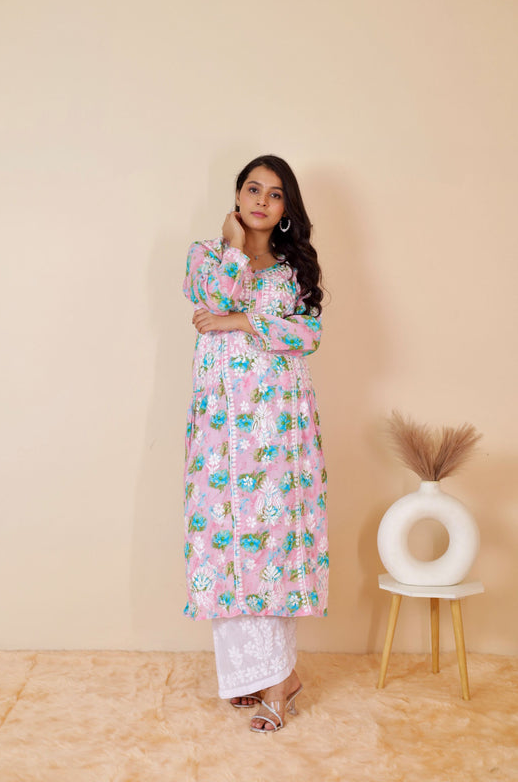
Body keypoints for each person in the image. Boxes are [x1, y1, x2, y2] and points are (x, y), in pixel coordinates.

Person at [182, 155, 328, 732]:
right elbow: (214, 296)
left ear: (286, 207)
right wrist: (234, 246)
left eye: (275, 193)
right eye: (252, 189)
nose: (262, 201)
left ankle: (278, 681)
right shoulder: (206, 255)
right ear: (237, 196)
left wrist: (240, 323)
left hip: (279, 426)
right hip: (221, 424)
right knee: (227, 540)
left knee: (274, 542)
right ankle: (256, 674)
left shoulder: (293, 271)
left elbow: (308, 334)